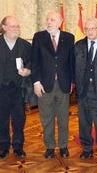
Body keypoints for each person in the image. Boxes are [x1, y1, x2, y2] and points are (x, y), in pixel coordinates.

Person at [31, 11, 75, 159]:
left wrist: (72, 82)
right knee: (47, 118)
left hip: (63, 84)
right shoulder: (39, 37)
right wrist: (36, 82)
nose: (49, 22)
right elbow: (34, 61)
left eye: (52, 19)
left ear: (60, 21)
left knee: (63, 118)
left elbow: (71, 62)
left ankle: (63, 146)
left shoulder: (69, 38)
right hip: (44, 85)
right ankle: (49, 146)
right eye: (47, 19)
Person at [74, 18, 97, 159]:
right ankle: (87, 148)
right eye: (87, 29)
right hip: (83, 89)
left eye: (93, 28)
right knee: (84, 121)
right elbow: (73, 67)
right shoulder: (78, 46)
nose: (89, 31)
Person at [0, 16, 31, 159]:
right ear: (4, 27)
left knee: (19, 119)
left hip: (19, 89)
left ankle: (18, 146)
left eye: (17, 26)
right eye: (13, 26)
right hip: (1, 89)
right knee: (1, 119)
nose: (16, 29)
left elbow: (31, 63)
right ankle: (3, 146)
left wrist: (28, 71)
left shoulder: (25, 45)